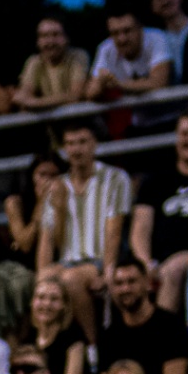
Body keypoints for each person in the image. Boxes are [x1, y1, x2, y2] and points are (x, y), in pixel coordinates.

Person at [38, 123, 134, 341]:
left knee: (71, 279)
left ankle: (92, 344)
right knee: (43, 281)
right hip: (67, 261)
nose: (76, 149)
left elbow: (114, 231)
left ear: (94, 144)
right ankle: (48, 344)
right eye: (70, 144)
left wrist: (108, 271)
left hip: (97, 259)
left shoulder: (114, 178)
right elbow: (49, 238)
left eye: (82, 142)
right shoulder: (57, 186)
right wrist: (59, 209)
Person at [131, 112, 188, 314]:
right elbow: (140, 229)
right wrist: (145, 264)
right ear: (176, 137)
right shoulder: (155, 181)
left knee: (176, 268)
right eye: (185, 134)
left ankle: (163, 331)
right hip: (162, 261)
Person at [99, 257, 188, 374]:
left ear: (147, 284)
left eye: (131, 282)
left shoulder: (170, 326)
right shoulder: (109, 335)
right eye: (119, 283)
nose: (125, 289)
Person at [88, 10, 176, 109]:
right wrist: (101, 83)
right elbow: (90, 93)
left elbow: (159, 83)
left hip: (172, 113)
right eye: (115, 33)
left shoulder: (157, 37)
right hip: (140, 117)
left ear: (140, 28)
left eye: (127, 31)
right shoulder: (105, 48)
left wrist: (118, 84)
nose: (122, 39)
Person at [11, 17, 88, 112]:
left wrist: (35, 103)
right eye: (44, 36)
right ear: (38, 42)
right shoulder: (34, 61)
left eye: (56, 35)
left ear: (66, 38)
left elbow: (75, 95)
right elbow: (23, 96)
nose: (50, 41)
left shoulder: (78, 56)